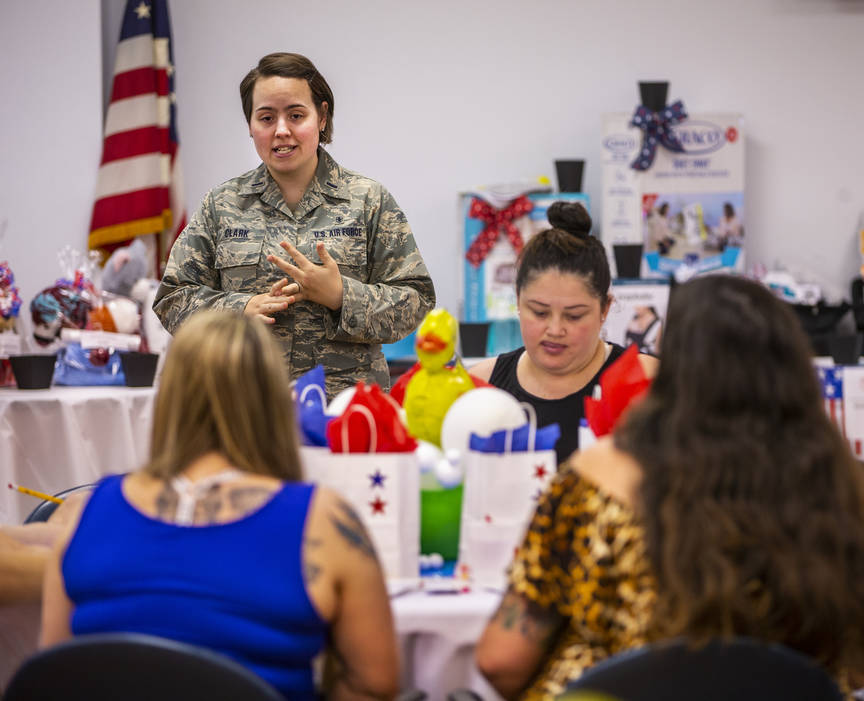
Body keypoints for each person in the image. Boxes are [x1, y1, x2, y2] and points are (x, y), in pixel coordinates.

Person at [475, 275, 864, 699]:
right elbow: (861, 663)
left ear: (673, 368)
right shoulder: (839, 491)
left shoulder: (596, 482)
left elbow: (501, 662)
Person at [39, 311, 399, 701]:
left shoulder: (85, 515)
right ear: (275, 400)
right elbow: (374, 685)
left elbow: (54, 674)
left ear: (169, 398)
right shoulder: (324, 522)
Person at [154, 52, 435, 399]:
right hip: (244, 408)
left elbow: (415, 299)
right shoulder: (221, 205)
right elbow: (172, 298)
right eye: (267, 117)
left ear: (322, 116)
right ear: (250, 125)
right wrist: (238, 309)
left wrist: (342, 296)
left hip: (346, 412)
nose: (281, 130)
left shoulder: (368, 200)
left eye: (296, 115)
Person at [470, 202, 658, 465]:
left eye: (574, 316)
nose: (555, 330)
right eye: (539, 312)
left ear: (605, 308)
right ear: (518, 300)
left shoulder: (648, 382)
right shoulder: (479, 387)